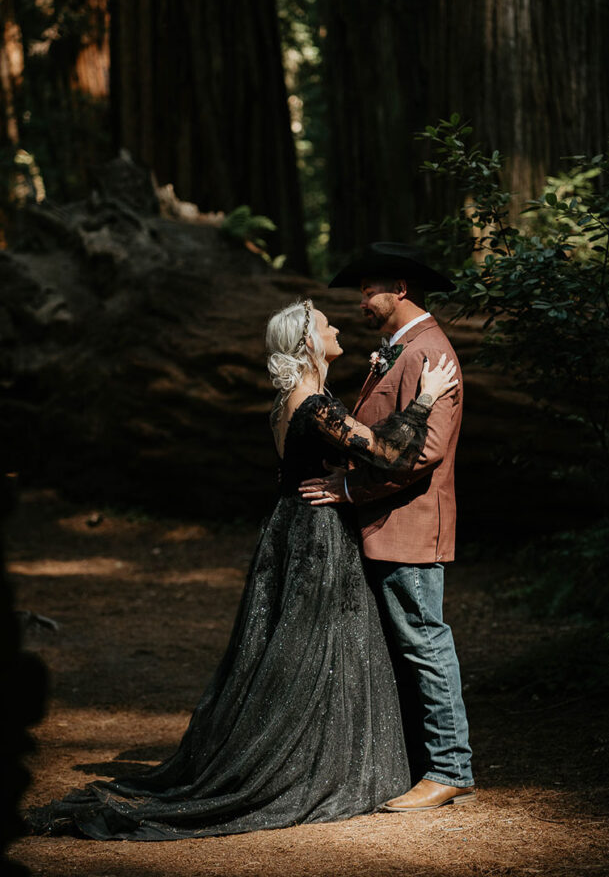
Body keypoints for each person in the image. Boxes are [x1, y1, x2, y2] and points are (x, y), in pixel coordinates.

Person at [25, 298, 457, 840]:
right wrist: (425, 401)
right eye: (326, 325)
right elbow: (383, 451)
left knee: (295, 647)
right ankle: (310, 762)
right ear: (307, 343)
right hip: (317, 537)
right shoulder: (313, 403)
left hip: (288, 529)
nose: (337, 327)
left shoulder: (287, 401)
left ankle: (323, 752)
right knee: (315, 648)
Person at [299, 242, 475, 812]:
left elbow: (419, 454)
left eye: (367, 289)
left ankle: (450, 769)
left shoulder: (429, 352)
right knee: (404, 645)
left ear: (399, 289)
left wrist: (349, 489)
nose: (360, 301)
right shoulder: (398, 349)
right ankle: (416, 763)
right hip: (387, 521)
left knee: (424, 642)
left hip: (410, 521)